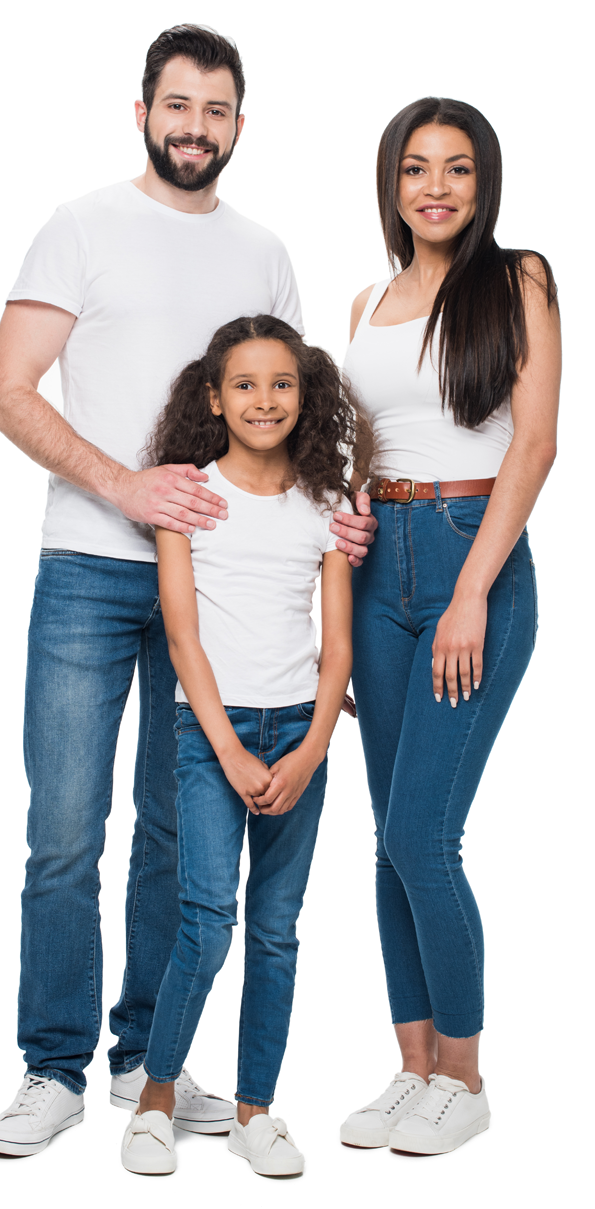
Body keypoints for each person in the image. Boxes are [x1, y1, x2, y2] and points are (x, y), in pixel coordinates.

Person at [0, 25, 375, 1159]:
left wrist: (338, 512)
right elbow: (3, 389)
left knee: (173, 830)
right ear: (143, 111)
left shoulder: (263, 252)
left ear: (239, 124)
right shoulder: (82, 226)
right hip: (90, 567)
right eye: (177, 105)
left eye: (216, 109)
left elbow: (292, 411)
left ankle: (146, 1060)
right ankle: (51, 1066)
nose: (195, 127)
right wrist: (124, 485)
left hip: (227, 582)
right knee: (65, 827)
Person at [339, 97, 560, 1156]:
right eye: (416, 167)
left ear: (483, 183)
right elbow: (357, 455)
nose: (435, 186)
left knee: (422, 834)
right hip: (374, 567)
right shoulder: (366, 302)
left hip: (473, 555)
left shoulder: (517, 280)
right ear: (391, 184)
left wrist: (471, 589)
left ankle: (463, 1080)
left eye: (457, 167)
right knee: (387, 840)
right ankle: (413, 1067)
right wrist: (342, 549)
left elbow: (533, 443)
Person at [118, 314, 374, 1177]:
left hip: (299, 728)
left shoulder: (326, 502)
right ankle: (156, 1097)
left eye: (281, 383)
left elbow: (337, 647)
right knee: (206, 920)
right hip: (210, 734)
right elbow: (182, 640)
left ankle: (254, 1110)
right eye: (244, 384)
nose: (264, 400)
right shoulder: (188, 497)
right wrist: (228, 751)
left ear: (305, 395)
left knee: (274, 929)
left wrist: (309, 751)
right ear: (213, 398)